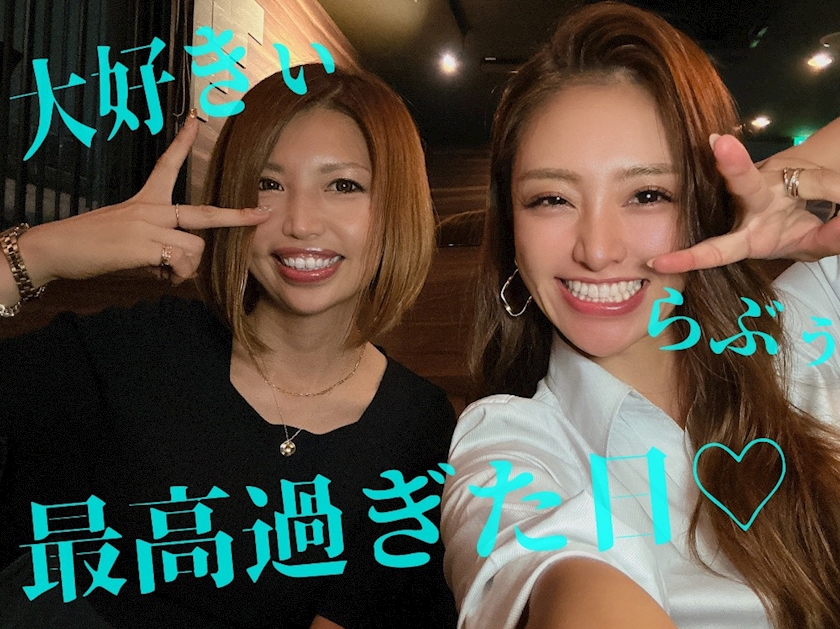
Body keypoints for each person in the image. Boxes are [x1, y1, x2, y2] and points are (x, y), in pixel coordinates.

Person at [0, 65, 458, 628]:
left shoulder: (417, 424)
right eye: (268, 184)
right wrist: (37, 255)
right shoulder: (142, 350)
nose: (301, 223)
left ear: (395, 208)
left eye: (343, 186)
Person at [441, 3, 840, 629]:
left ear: (702, 204)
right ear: (512, 227)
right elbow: (557, 573)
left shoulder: (807, 330)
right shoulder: (509, 444)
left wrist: (786, 177)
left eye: (649, 194)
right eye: (551, 199)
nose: (597, 250)